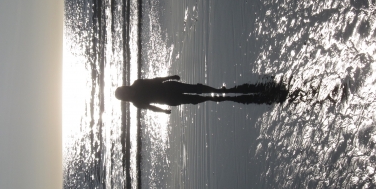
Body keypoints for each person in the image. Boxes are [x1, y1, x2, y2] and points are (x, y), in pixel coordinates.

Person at [114, 75, 288, 113]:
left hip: (172, 87)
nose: (126, 91)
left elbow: (156, 80)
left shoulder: (138, 83)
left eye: (123, 89)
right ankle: (217, 97)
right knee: (196, 99)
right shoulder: (136, 103)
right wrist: (164, 111)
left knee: (197, 88)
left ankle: (219, 92)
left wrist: (170, 77)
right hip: (171, 98)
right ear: (125, 97)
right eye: (123, 94)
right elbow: (151, 107)